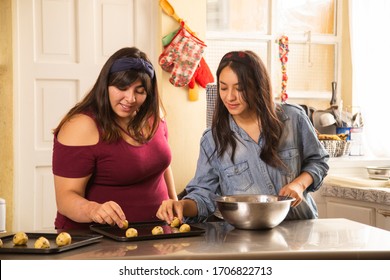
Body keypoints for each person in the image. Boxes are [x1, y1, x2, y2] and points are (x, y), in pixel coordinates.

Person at [157, 50, 329, 224]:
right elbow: (204, 195)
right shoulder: (213, 140)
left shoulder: (293, 118)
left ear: (257, 86)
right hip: (246, 241)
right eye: (223, 88)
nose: (230, 96)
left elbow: (318, 161)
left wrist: (299, 184)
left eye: (240, 88)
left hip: (300, 232)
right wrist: (180, 205)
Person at [52, 47, 177, 230]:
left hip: (157, 233)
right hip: (98, 239)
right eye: (122, 88)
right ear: (106, 84)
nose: (130, 98)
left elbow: (163, 165)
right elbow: (65, 198)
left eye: (140, 91)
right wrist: (93, 209)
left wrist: (175, 204)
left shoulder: (153, 115)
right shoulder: (81, 126)